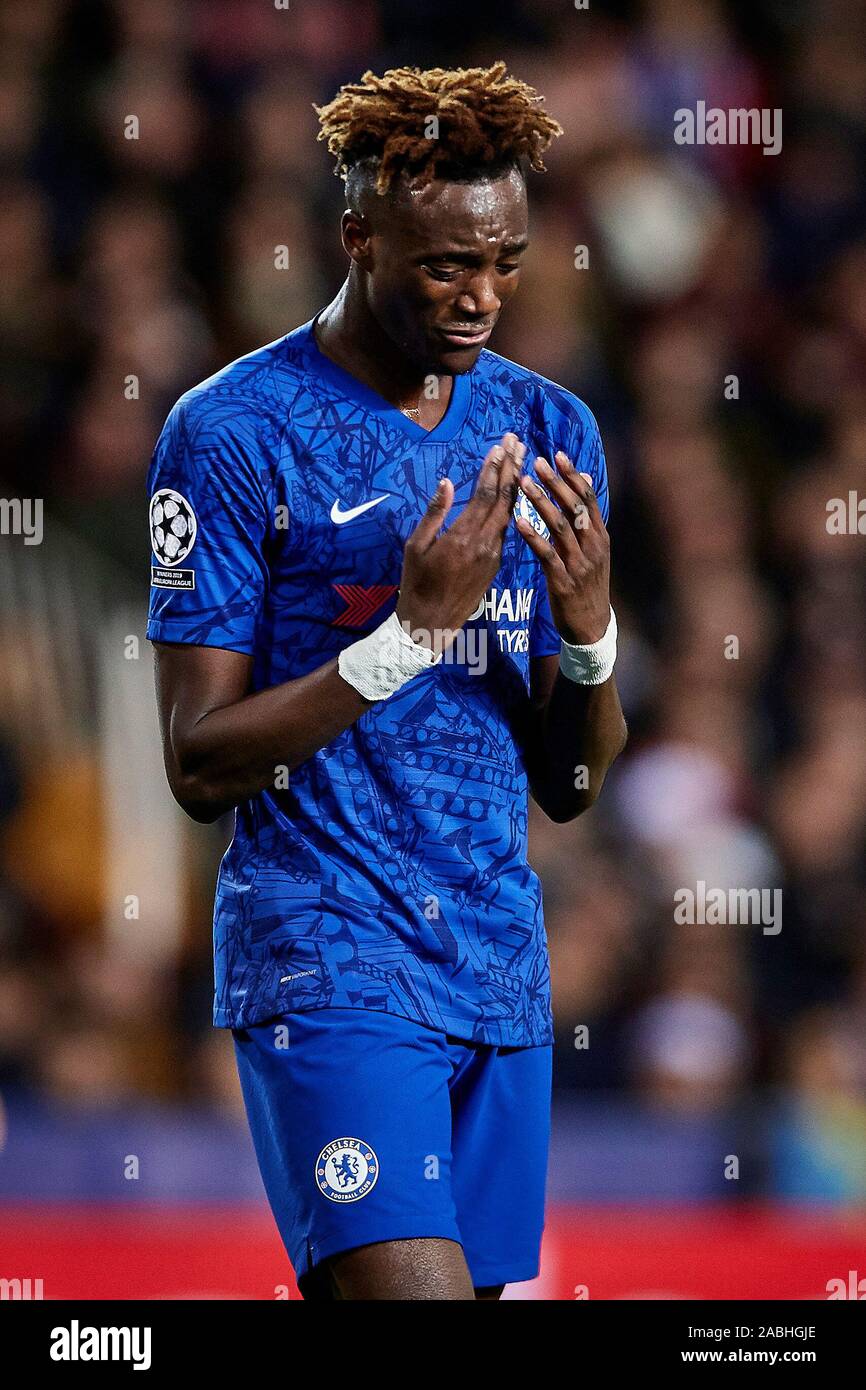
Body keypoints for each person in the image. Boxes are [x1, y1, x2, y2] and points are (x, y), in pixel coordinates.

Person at [147, 62, 626, 1300]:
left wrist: (589, 643)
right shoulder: (233, 431)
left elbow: (568, 786)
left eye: (507, 263)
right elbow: (197, 761)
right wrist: (403, 638)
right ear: (356, 235)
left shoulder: (550, 431)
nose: (481, 300)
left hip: (499, 965)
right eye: (443, 267)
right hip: (328, 956)